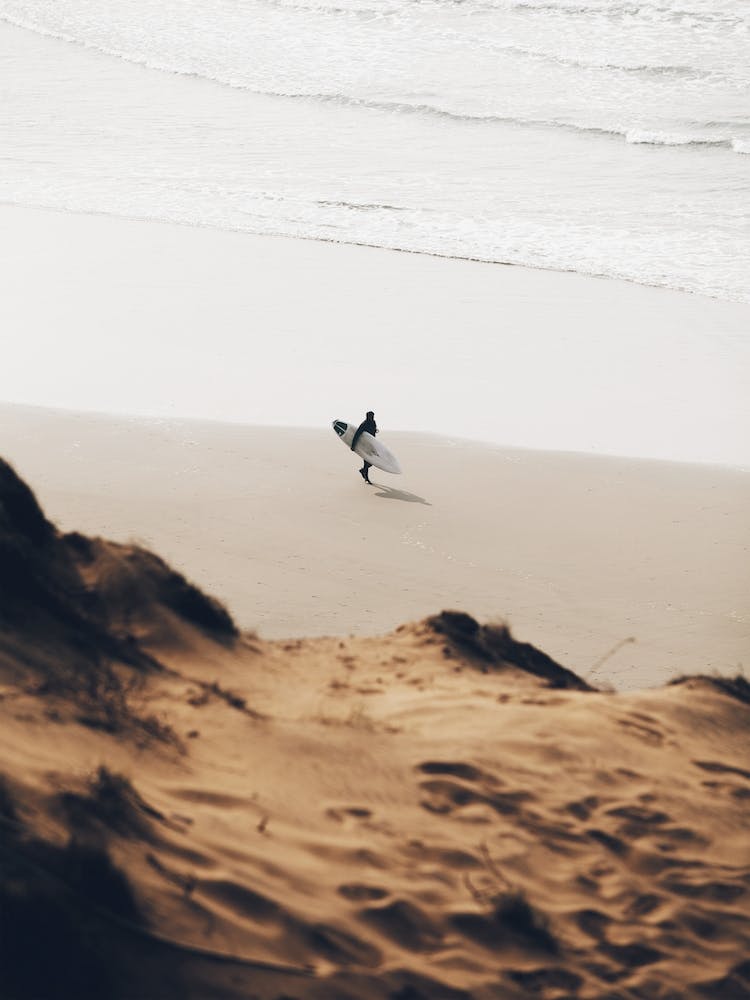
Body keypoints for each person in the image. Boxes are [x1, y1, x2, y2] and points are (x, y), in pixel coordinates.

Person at [351, 410, 377, 483]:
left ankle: (363, 470)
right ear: (367, 416)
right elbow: (357, 434)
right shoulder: (364, 424)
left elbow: (373, 433)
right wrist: (353, 445)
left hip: (371, 444)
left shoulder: (373, 422)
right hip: (364, 445)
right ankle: (366, 478)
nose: (372, 417)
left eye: (373, 416)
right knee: (366, 461)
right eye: (370, 416)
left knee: (372, 462)